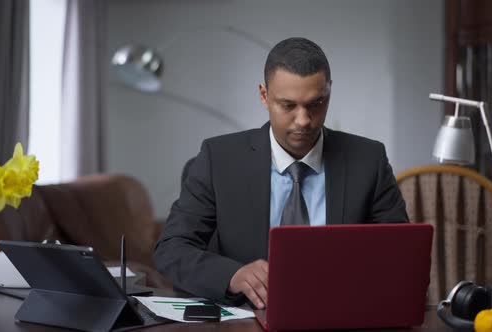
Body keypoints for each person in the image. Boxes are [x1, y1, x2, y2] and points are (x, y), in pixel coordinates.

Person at [153, 37, 408, 309]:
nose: (303, 121)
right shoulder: (218, 160)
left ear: (329, 92)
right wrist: (233, 275)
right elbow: (172, 249)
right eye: (288, 105)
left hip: (342, 314)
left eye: (316, 104)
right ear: (264, 95)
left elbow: (402, 257)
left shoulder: (369, 160)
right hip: (249, 320)